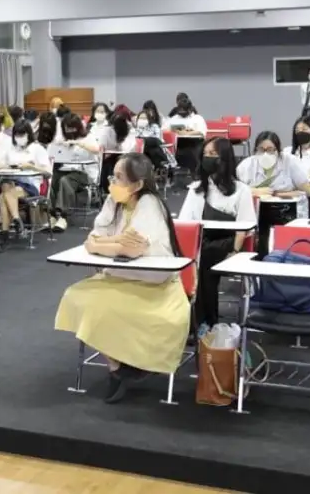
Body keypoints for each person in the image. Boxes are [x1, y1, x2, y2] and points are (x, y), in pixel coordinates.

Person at [55, 153, 189, 404]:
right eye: (112, 176)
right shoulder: (113, 200)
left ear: (137, 184)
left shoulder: (150, 204)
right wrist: (112, 242)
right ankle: (117, 367)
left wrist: (102, 245)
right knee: (76, 297)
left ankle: (133, 366)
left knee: (107, 308)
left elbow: (132, 249)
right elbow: (93, 238)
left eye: (118, 177)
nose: (112, 182)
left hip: (155, 286)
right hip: (117, 279)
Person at [178, 138, 256, 328]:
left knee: (203, 259)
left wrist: (234, 251)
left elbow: (244, 227)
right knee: (195, 257)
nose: (208, 158)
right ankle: (197, 319)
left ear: (225, 158)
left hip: (227, 242)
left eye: (213, 154)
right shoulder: (196, 189)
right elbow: (184, 222)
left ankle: (203, 321)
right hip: (201, 241)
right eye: (206, 154)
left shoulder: (241, 190)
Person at [0, 120, 52, 252]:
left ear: (28, 134)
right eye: (17, 135)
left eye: (22, 135)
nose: (19, 138)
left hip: (30, 185)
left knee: (4, 196)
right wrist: (7, 166)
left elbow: (48, 173)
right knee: (5, 188)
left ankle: (4, 236)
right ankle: (17, 220)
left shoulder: (37, 149)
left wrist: (31, 166)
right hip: (11, 181)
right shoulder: (10, 149)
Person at [49, 113, 101, 233]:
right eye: (67, 128)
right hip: (66, 169)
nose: (69, 131)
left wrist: (78, 143)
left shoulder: (88, 137)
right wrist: (58, 146)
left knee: (65, 181)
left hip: (84, 173)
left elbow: (96, 150)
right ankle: (52, 213)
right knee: (52, 178)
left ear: (78, 127)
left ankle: (63, 215)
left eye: (72, 128)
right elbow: (54, 154)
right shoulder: (64, 139)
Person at [236, 132, 310, 198]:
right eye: (261, 149)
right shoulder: (246, 165)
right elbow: (235, 191)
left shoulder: (290, 162)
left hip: (287, 206)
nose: (265, 154)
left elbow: (306, 191)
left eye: (270, 150)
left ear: (278, 150)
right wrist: (254, 191)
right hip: (256, 207)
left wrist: (279, 194)